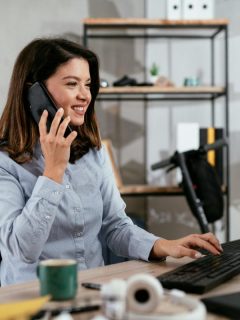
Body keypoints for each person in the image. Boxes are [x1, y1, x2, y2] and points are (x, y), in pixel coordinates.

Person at [0, 38, 222, 286]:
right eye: (72, 84)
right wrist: (53, 172)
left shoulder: (92, 152)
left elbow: (115, 226)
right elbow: (21, 250)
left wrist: (164, 245)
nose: (85, 95)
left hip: (92, 291)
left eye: (87, 84)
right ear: (35, 93)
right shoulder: (5, 163)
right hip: (29, 299)